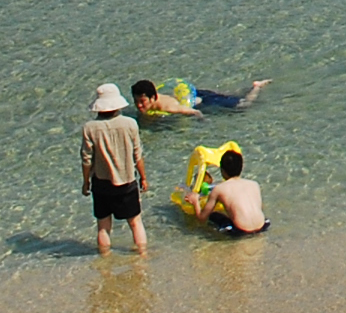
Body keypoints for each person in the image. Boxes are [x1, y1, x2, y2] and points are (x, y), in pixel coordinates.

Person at [81, 81, 150, 255]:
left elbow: (86, 159)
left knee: (103, 227)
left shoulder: (90, 128)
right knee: (135, 223)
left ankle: (105, 261)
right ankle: (142, 257)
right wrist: (143, 178)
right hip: (127, 181)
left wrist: (86, 182)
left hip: (102, 183)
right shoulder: (130, 124)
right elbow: (137, 155)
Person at [194, 147, 269, 236]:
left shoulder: (219, 189)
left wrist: (195, 201)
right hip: (262, 226)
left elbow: (202, 219)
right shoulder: (254, 184)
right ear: (241, 168)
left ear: (222, 171)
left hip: (240, 231)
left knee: (213, 215)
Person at [133, 78, 268, 118]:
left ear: (153, 98)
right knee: (229, 96)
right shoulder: (153, 97)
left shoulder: (169, 107)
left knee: (243, 105)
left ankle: (257, 87)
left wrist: (202, 120)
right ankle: (244, 90)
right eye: (136, 101)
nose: (139, 105)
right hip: (195, 94)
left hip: (202, 102)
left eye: (142, 101)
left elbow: (194, 111)